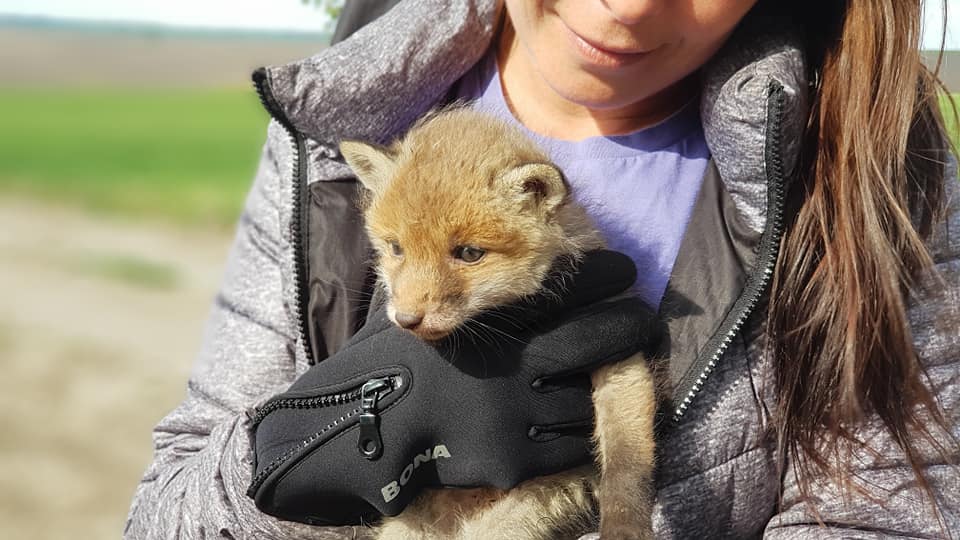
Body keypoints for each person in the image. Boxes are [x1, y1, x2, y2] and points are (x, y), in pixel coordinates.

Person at [125, 0, 960, 538]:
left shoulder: (879, 172)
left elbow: (894, 514)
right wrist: (297, 453)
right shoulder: (335, 134)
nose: (627, 8)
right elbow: (166, 513)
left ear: (538, 201)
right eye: (396, 255)